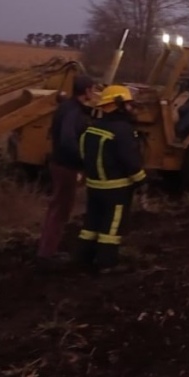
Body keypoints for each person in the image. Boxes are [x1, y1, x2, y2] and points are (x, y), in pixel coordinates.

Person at [75, 84, 148, 275]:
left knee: (91, 223)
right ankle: (107, 264)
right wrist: (141, 181)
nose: (132, 108)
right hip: (117, 190)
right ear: (118, 104)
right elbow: (130, 160)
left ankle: (83, 259)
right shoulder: (122, 130)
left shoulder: (92, 129)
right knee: (111, 228)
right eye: (129, 104)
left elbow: (83, 154)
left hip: (94, 186)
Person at [35, 74, 95, 269]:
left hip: (59, 163)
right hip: (67, 167)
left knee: (57, 208)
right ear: (86, 91)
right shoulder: (73, 112)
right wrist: (82, 161)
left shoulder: (67, 107)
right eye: (92, 90)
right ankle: (46, 256)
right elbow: (68, 140)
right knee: (61, 210)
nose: (94, 93)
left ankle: (47, 250)